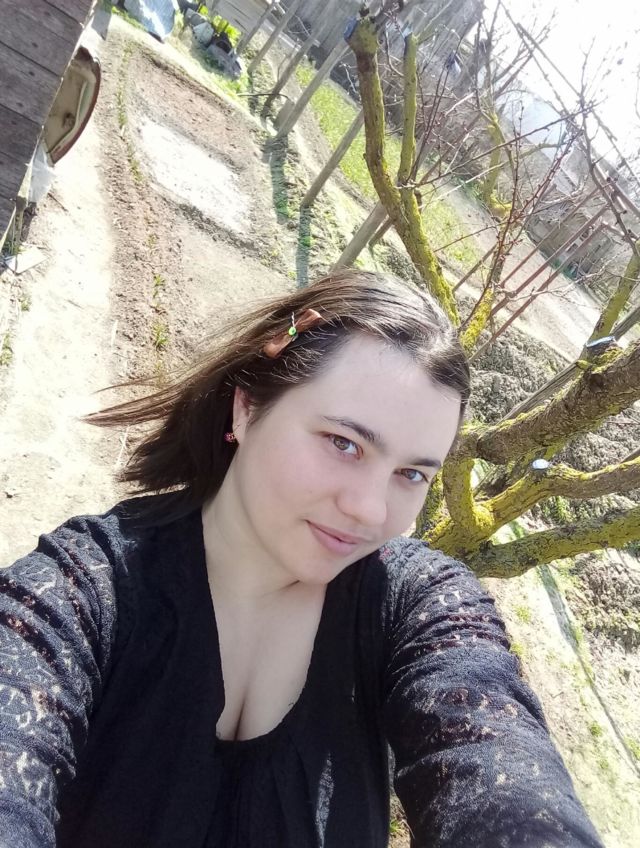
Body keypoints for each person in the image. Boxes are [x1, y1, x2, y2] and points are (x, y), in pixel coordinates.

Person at [0, 270, 603, 848]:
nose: (370, 510)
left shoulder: (413, 606)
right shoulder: (82, 590)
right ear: (246, 408)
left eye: (412, 474)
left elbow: (498, 760)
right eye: (345, 443)